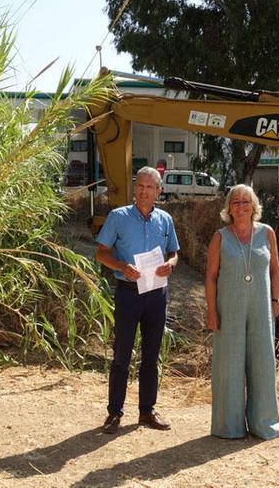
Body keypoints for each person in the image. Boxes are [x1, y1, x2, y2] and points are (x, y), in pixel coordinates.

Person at [96, 166, 180, 434]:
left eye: (150, 187)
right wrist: (121, 265)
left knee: (151, 355)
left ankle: (147, 411)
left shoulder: (165, 220)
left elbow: (174, 253)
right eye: (140, 186)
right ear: (135, 188)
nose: (144, 191)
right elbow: (101, 252)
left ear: (159, 191)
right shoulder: (118, 217)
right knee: (122, 354)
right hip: (128, 293)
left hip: (157, 294)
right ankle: (114, 413)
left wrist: (170, 264)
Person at [205, 184, 279, 440]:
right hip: (229, 309)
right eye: (235, 202)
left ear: (254, 206)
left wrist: (275, 300)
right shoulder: (220, 237)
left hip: (261, 307)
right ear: (229, 208)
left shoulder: (267, 233)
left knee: (263, 363)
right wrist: (212, 311)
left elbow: (274, 271)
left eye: (245, 202)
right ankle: (229, 426)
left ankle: (264, 424)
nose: (240, 206)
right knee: (229, 365)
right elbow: (211, 276)